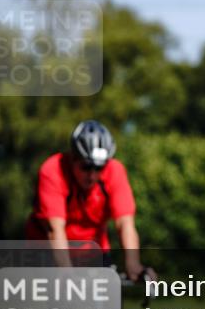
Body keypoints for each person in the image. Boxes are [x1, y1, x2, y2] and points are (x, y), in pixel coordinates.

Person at [25, 119, 151, 280]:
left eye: (99, 168)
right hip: (49, 249)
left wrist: (134, 265)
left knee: (108, 299)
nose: (92, 175)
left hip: (92, 249)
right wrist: (66, 273)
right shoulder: (53, 170)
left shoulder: (115, 171)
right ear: (73, 159)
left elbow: (125, 224)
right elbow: (55, 230)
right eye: (86, 167)